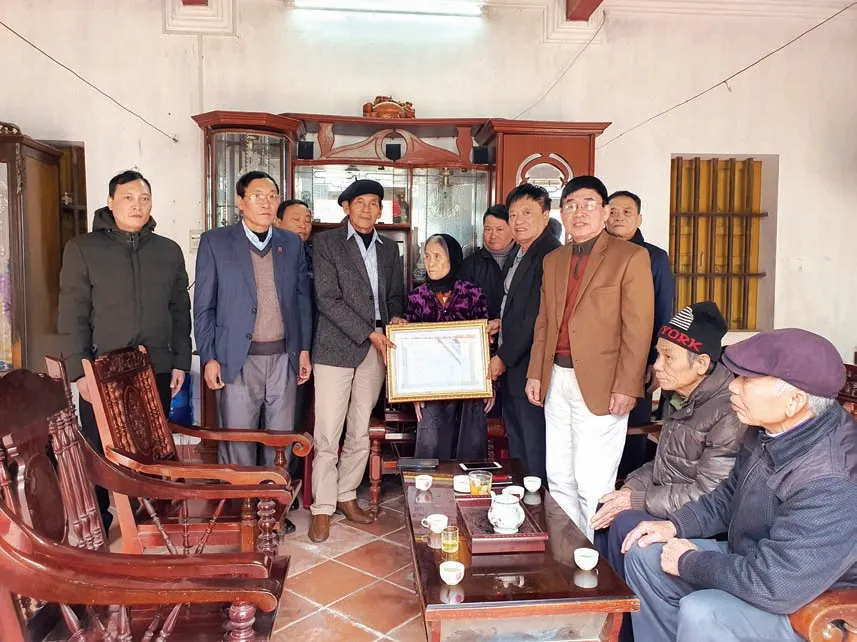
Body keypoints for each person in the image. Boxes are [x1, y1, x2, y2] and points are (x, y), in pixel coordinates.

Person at [622, 328, 857, 642]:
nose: (733, 386)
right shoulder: (771, 427)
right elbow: (729, 494)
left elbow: (777, 583)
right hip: (752, 558)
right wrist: (675, 525)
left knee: (704, 612)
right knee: (645, 555)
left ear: (794, 401)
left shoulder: (831, 479)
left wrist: (690, 563)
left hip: (811, 600)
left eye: (747, 380)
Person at [592, 301, 744, 642]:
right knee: (607, 511)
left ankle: (630, 629)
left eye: (668, 357)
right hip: (669, 501)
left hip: (703, 521)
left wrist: (637, 500)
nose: (657, 366)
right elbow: (663, 463)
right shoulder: (685, 397)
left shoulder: (728, 412)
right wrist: (629, 490)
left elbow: (710, 494)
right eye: (657, 355)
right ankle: (616, 626)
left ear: (701, 363)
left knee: (627, 525)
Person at [58, 170, 191, 531]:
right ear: (111, 202)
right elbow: (72, 314)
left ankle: (147, 517)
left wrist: (180, 361)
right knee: (99, 446)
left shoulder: (167, 251)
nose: (137, 205)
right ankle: (99, 519)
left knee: (152, 444)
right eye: (128, 198)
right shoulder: (83, 249)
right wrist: (79, 371)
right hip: (101, 369)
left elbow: (180, 310)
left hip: (155, 366)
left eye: (144, 198)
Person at [525, 175, 653, 540]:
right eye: (571, 206)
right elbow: (544, 321)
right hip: (557, 378)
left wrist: (628, 384)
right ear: (562, 214)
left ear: (605, 212)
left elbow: (638, 327)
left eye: (588, 205)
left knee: (592, 481)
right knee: (559, 476)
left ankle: (595, 561)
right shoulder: (554, 260)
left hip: (603, 383)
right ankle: (567, 556)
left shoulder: (630, 257)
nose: (579, 213)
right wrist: (536, 372)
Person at [194, 171, 312, 471]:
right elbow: (204, 306)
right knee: (238, 440)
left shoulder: (291, 243)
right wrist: (208, 357)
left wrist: (304, 350)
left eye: (272, 196)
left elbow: (302, 300)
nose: (266, 203)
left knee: (281, 441)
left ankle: (274, 498)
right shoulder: (216, 242)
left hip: (283, 357)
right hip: (236, 358)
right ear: (240, 202)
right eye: (257, 196)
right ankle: (241, 499)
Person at [309, 179, 406, 542]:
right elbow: (327, 298)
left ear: (381, 210)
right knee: (327, 430)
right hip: (335, 346)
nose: (367, 209)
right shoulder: (326, 243)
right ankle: (322, 507)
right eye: (360, 202)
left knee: (360, 428)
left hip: (377, 348)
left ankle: (347, 495)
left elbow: (394, 295)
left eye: (374, 203)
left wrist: (396, 318)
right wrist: (368, 332)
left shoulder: (389, 249)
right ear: (346, 207)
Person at [492, 184, 561, 484]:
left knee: (535, 445)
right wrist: (499, 322)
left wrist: (503, 358)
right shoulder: (519, 252)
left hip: (531, 365)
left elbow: (535, 316)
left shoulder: (549, 255)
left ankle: (538, 504)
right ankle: (523, 500)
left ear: (545, 216)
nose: (518, 221)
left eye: (527, 213)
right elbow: (515, 304)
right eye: (513, 214)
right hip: (515, 365)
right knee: (518, 440)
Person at [607, 190, 676, 476]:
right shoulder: (596, 253)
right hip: (600, 358)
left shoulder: (654, 257)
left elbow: (663, 312)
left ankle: (628, 490)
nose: (618, 217)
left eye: (627, 212)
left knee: (631, 428)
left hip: (639, 360)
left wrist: (656, 361)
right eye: (613, 211)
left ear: (639, 218)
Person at [405, 234, 492, 459]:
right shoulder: (417, 297)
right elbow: (411, 350)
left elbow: (484, 343)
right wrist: (413, 391)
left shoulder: (472, 294)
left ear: (452, 258)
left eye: (437, 256)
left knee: (470, 447)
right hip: (431, 386)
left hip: (470, 386)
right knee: (431, 445)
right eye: (426, 256)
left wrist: (490, 384)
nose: (430, 263)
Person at [276, 198, 315, 440]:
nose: (303, 225)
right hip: (274, 345)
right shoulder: (270, 255)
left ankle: (293, 462)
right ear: (277, 222)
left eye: (307, 220)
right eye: (296, 220)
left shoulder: (316, 255)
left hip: (308, 346)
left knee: (297, 416)